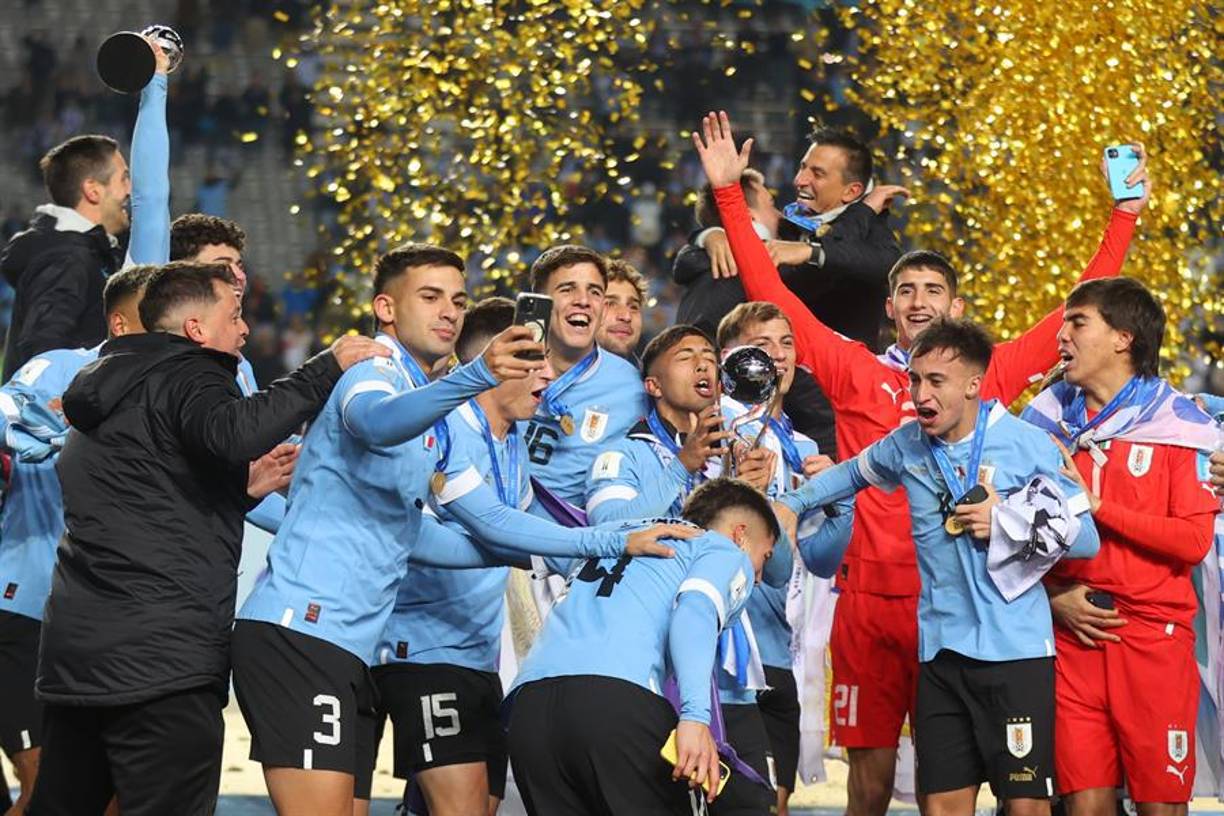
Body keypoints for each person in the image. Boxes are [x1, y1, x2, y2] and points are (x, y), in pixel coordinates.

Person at [694, 109, 1147, 815]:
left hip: (972, 612)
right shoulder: (853, 371)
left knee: (1009, 795)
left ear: (955, 308)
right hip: (873, 608)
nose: (919, 301)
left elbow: (1075, 313)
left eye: (933, 290)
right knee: (870, 789)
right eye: (906, 290)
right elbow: (773, 297)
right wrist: (728, 198)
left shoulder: (987, 377)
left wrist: (1123, 217)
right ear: (890, 309)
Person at [231, 245, 678, 816]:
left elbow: (482, 524)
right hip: (303, 629)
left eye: (458, 301)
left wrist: (577, 547)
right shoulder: (374, 369)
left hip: (349, 644)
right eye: (430, 297)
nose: (449, 311)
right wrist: (471, 379)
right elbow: (376, 422)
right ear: (386, 308)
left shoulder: (435, 423)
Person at [27, 261, 388, 815]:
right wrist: (326, 369)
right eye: (234, 314)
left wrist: (235, 495)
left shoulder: (106, 386)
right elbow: (233, 430)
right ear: (196, 329)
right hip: (162, 662)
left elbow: (144, 498)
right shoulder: (191, 371)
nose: (244, 330)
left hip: (79, 655)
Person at [773, 318, 1100, 815]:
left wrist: (1006, 519)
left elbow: (1087, 540)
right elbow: (847, 476)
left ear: (973, 385)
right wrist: (790, 506)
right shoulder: (906, 445)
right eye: (915, 380)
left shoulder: (1028, 444)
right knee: (944, 803)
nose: (919, 394)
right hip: (940, 655)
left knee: (1025, 806)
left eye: (935, 381)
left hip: (1015, 655)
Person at [1020, 278, 1221, 811]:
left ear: (1122, 338)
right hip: (1071, 638)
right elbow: (1007, 534)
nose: (1060, 334)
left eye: (1076, 322)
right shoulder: (1041, 424)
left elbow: (1194, 540)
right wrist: (1051, 598)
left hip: (1152, 639)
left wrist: (1101, 508)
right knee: (1084, 806)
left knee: (1161, 806)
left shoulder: (1182, 424)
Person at [507, 478, 781, 815]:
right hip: (615, 705)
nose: (757, 577)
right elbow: (695, 609)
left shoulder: (612, 532)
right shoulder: (720, 549)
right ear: (740, 535)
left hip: (530, 709)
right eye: (764, 557)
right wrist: (696, 717)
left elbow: (503, 543)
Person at [0, 266, 153, 816]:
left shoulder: (161, 391)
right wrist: (49, 422)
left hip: (92, 624)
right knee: (44, 786)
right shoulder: (64, 365)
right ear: (119, 323)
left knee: (104, 794)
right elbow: (2, 409)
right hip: (20, 606)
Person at [716, 300, 855, 816]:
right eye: (762, 344)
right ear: (731, 357)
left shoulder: (799, 443)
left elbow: (818, 559)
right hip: (723, 652)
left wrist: (840, 503)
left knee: (774, 804)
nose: (777, 355)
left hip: (779, 652)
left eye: (786, 343)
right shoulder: (714, 424)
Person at [523, 245, 649, 506]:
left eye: (594, 292)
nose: (583, 300)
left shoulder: (634, 389)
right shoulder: (501, 364)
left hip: (572, 530)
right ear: (541, 302)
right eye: (567, 289)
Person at [1, 135, 129, 381]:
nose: (129, 189)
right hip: (58, 418)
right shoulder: (67, 257)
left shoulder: (83, 250)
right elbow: (43, 352)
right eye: (123, 178)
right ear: (93, 190)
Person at [596, 257, 647, 361]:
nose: (626, 316)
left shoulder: (650, 376)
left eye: (633, 307)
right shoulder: (556, 374)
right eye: (610, 303)